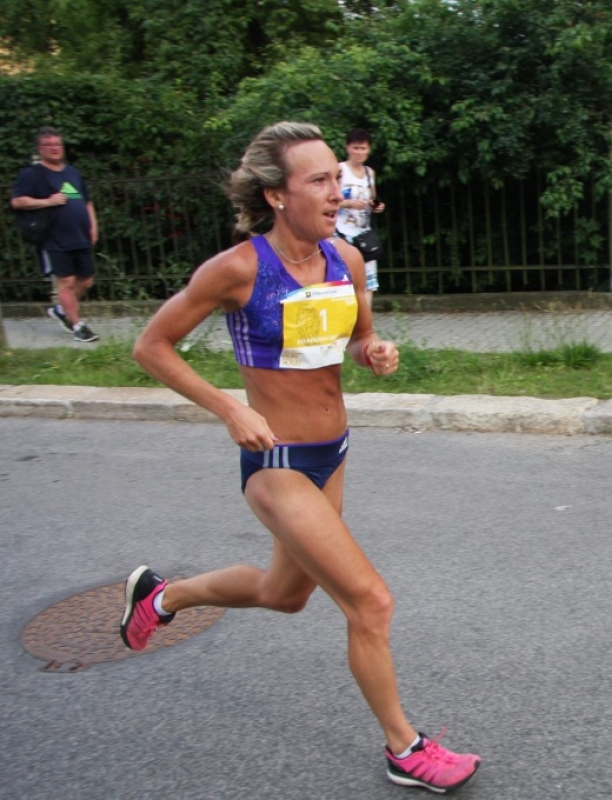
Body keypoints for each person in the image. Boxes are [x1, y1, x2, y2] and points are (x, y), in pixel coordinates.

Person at [120, 121, 481, 793]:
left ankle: (162, 597)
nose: (337, 192)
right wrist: (231, 408)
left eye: (336, 179)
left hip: (332, 452)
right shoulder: (238, 269)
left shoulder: (344, 259)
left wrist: (373, 352)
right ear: (277, 195)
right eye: (319, 180)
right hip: (277, 461)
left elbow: (359, 337)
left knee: (283, 594)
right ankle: (405, 749)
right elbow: (151, 346)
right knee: (370, 602)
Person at [11, 127, 99, 342]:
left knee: (86, 280)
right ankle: (77, 325)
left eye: (57, 144)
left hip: (79, 235)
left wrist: (93, 226)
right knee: (66, 282)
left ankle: (61, 310)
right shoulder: (32, 174)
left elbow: (86, 202)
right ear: (39, 149)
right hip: (54, 238)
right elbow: (18, 201)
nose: (54, 148)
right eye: (48, 145)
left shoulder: (72, 173)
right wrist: (48, 201)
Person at [336, 128, 385, 308]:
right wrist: (348, 203)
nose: (359, 152)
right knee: (345, 280)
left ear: (368, 149)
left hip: (364, 234)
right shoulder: (339, 170)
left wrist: (376, 206)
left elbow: (373, 199)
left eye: (363, 148)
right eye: (355, 148)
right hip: (342, 232)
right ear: (348, 148)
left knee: (368, 282)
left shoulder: (369, 173)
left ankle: (366, 320)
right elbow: (327, 202)